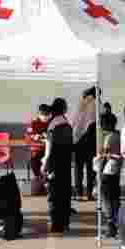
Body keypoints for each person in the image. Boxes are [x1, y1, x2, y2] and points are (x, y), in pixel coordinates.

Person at [42, 97, 74, 235]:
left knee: (54, 195)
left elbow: (49, 149)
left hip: (54, 164)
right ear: (64, 110)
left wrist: (45, 165)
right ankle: (65, 222)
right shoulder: (67, 124)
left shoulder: (52, 126)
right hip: (66, 165)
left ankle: (56, 225)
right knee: (65, 193)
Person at [98, 112, 122, 239]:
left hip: (108, 171)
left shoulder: (109, 137)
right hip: (116, 171)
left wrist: (100, 172)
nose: (100, 125)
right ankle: (117, 225)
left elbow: (105, 157)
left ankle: (111, 225)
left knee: (107, 200)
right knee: (115, 199)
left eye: (102, 123)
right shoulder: (119, 135)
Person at [72, 88, 97, 201]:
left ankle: (78, 193)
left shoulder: (79, 105)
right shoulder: (96, 104)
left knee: (78, 168)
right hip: (91, 139)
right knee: (90, 168)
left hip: (78, 140)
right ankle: (90, 193)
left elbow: (74, 122)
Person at [27, 104, 51, 196]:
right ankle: (41, 181)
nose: (45, 116)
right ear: (39, 113)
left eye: (47, 114)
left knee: (50, 163)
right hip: (37, 149)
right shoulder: (34, 122)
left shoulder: (51, 122)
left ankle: (47, 182)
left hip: (49, 149)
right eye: (43, 114)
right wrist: (35, 136)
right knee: (34, 162)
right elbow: (28, 135)